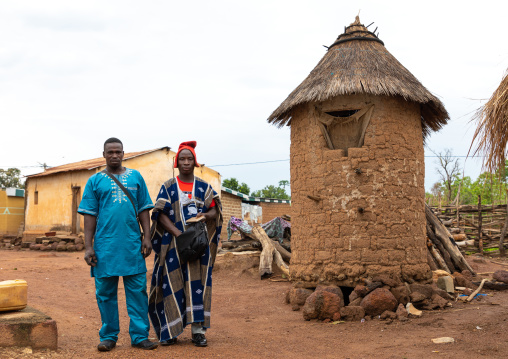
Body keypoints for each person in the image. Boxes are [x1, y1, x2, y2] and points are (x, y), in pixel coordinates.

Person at [78, 137, 158, 352]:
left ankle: (140, 336)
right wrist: (88, 246)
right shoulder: (95, 181)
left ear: (124, 153)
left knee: (138, 291)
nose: (114, 155)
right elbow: (89, 216)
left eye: (118, 152)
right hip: (105, 247)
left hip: (132, 245)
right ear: (104, 154)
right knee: (105, 293)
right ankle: (109, 336)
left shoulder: (136, 177)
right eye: (110, 152)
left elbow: (144, 209)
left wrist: (147, 238)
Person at [149, 141, 222, 347]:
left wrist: (204, 214)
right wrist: (177, 233)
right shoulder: (168, 186)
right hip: (173, 245)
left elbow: (215, 211)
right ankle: (171, 331)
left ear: (195, 161)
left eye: (190, 159)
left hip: (198, 245)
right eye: (182, 159)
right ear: (177, 162)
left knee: (199, 285)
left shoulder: (204, 187)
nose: (186, 162)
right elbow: (160, 213)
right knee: (171, 283)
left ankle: (198, 331)